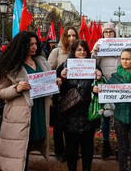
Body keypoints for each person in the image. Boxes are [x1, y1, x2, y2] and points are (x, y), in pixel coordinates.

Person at [0, 31, 51, 171]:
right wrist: (16, 88)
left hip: (37, 112)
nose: (34, 47)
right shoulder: (11, 66)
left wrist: (55, 83)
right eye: (30, 44)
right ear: (21, 45)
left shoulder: (41, 62)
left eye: (35, 44)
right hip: (19, 116)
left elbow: (46, 84)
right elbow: (0, 91)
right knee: (20, 152)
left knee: (29, 145)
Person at [92, 22, 131, 158]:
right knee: (106, 116)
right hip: (107, 83)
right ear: (102, 34)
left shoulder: (123, 43)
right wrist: (96, 53)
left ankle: (121, 147)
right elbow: (93, 62)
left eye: (111, 32)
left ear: (115, 33)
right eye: (106, 32)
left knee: (120, 118)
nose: (108, 34)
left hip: (123, 83)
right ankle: (106, 144)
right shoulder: (99, 44)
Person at [57, 39, 102, 171]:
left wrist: (99, 81)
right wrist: (62, 79)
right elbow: (57, 91)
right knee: (71, 150)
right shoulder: (64, 66)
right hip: (70, 116)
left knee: (88, 148)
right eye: (79, 50)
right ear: (73, 51)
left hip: (88, 114)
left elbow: (102, 91)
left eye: (84, 50)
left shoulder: (94, 67)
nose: (82, 52)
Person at [48, 26, 79, 162]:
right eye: (69, 35)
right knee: (59, 124)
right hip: (60, 93)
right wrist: (58, 77)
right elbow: (48, 71)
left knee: (73, 124)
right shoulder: (57, 51)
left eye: (74, 35)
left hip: (75, 93)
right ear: (64, 37)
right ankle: (59, 151)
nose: (72, 38)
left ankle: (71, 151)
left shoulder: (80, 51)